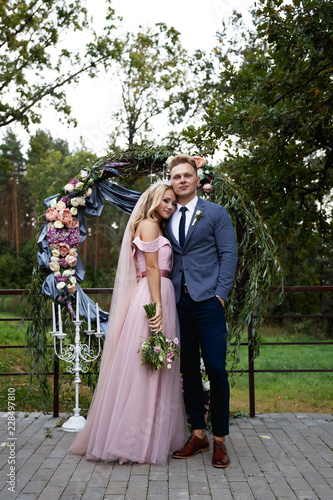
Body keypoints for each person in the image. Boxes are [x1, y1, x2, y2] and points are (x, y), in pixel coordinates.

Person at [69, 183, 185, 465]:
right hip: (153, 295)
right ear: (154, 200)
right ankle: (134, 441)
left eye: (173, 202)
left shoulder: (155, 225)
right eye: (166, 201)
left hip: (157, 292)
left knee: (155, 364)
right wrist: (157, 305)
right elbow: (154, 267)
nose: (170, 206)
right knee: (147, 366)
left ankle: (148, 436)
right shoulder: (149, 225)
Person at [166, 154, 238, 468]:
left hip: (208, 302)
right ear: (171, 181)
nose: (181, 180)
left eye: (186, 175)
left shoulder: (216, 213)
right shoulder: (164, 215)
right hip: (177, 303)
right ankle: (198, 434)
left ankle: (220, 439)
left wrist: (220, 296)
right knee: (189, 371)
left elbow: (229, 254)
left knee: (216, 369)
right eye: (176, 176)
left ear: (197, 179)